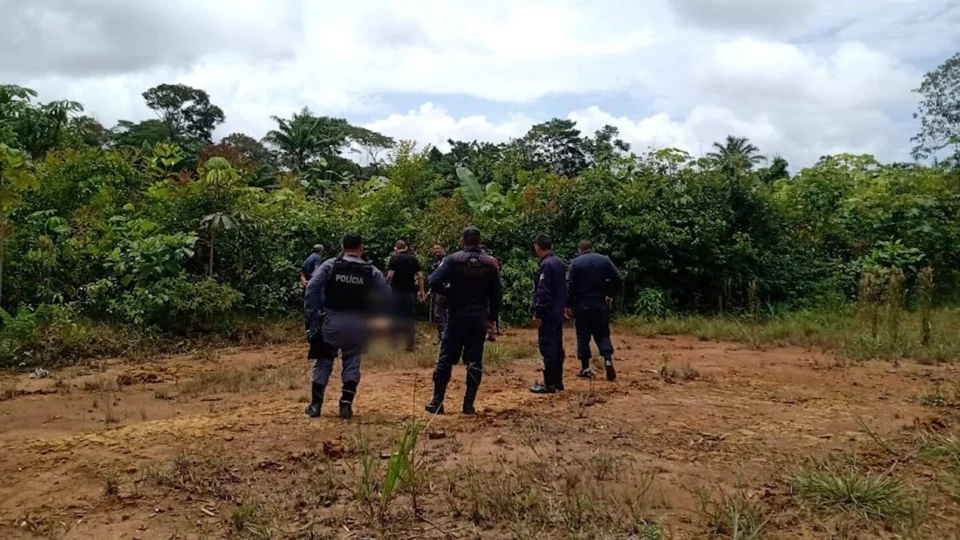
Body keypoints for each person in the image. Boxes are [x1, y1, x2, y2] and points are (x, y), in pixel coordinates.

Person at [303, 232, 390, 419]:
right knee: (352, 363)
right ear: (361, 247)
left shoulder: (330, 265)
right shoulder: (370, 270)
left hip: (331, 324)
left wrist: (312, 315)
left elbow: (311, 288)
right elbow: (387, 296)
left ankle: (316, 406)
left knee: (323, 362)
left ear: (342, 247)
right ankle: (345, 406)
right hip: (358, 325)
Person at [425, 226, 502, 415]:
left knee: (445, 359)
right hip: (478, 317)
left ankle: (438, 402)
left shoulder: (452, 260)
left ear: (463, 241)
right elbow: (497, 295)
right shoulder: (489, 264)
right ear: (480, 240)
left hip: (457, 315)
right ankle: (468, 405)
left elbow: (433, 280)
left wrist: (449, 293)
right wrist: (491, 318)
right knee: (474, 361)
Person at [565, 240, 623, 381]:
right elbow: (618, 279)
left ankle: (585, 368)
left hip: (582, 305)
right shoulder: (604, 260)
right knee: (602, 333)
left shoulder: (575, 263)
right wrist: (609, 294)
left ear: (579, 250)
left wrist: (567, 305)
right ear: (593, 248)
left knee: (583, 336)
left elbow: (569, 286)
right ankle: (608, 359)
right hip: (600, 303)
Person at [530, 233, 568, 394]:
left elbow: (543, 292)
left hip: (548, 313)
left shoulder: (546, 265)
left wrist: (538, 313)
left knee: (548, 347)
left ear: (537, 247)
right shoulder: (559, 262)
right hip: (557, 311)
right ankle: (558, 381)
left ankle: (549, 383)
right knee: (557, 346)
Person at [386, 240, 425, 351]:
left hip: (396, 293)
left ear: (396, 248)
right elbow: (420, 276)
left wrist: (386, 287)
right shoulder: (413, 259)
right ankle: (410, 345)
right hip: (409, 293)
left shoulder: (394, 258)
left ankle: (393, 344)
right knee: (409, 318)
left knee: (394, 317)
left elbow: (390, 276)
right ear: (406, 247)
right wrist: (421, 290)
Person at [480, 244, 502, 341]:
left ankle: (489, 332)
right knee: (492, 310)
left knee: (486, 310)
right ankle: (491, 331)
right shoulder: (491, 260)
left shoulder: (486, 260)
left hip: (484, 290)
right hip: (491, 289)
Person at [429, 243, 447, 343]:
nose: (436, 250)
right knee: (441, 314)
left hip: (444, 290)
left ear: (443, 249)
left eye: (438, 248)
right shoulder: (437, 261)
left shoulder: (445, 260)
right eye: (434, 249)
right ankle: (442, 335)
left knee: (439, 313)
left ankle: (443, 336)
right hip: (440, 290)